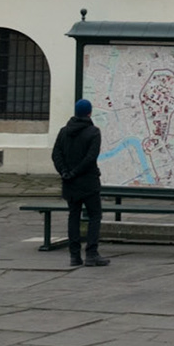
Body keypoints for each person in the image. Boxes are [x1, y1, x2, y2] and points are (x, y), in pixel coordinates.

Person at [51, 99, 107, 267]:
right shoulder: (93, 132)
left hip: (70, 183)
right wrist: (76, 172)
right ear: (89, 113)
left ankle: (74, 256)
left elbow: (56, 155)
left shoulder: (63, 132)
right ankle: (91, 253)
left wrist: (65, 172)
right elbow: (90, 158)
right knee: (95, 215)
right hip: (88, 182)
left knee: (73, 216)